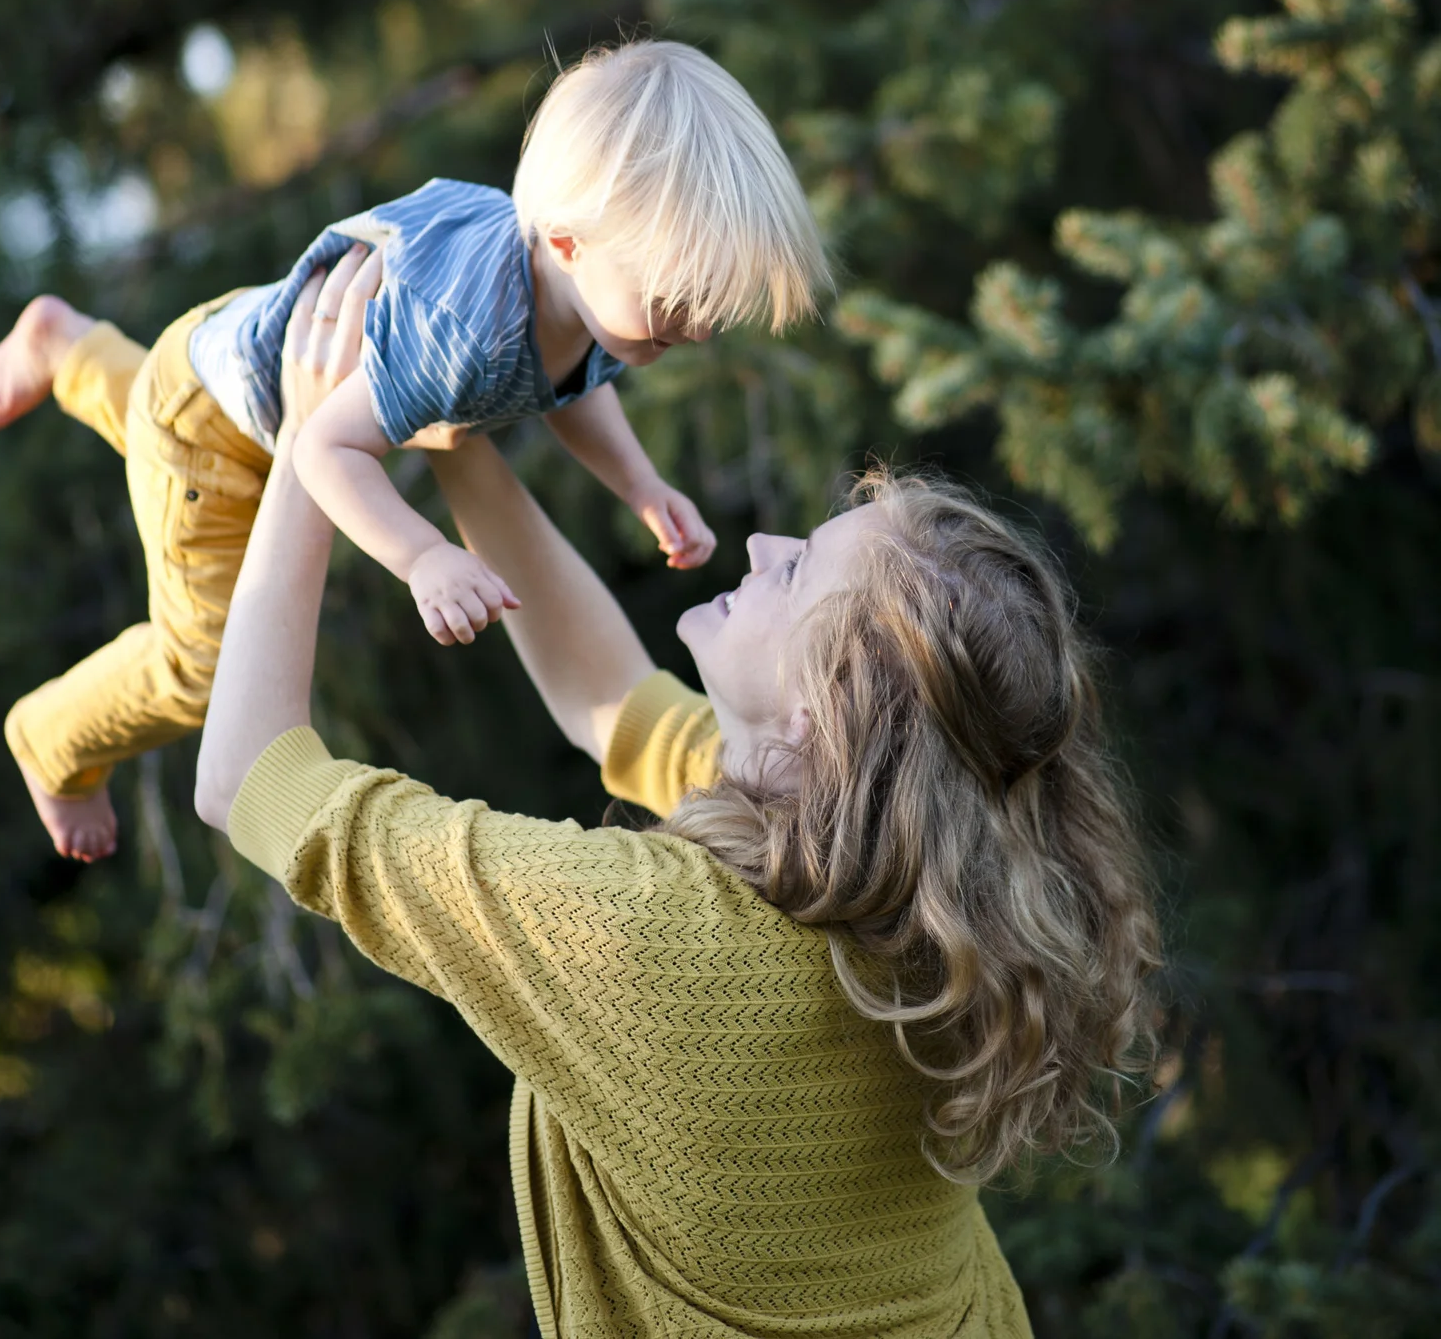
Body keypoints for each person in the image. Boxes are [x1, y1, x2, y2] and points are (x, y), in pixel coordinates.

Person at [192, 245, 1160, 1339]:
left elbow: (247, 777)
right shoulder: (910, 894)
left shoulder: (652, 939)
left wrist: (310, 440)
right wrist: (446, 419)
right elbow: (611, 702)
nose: (762, 542)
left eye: (796, 569)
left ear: (824, 713)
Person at [0, 40, 829, 864]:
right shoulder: (464, 331)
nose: (699, 329)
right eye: (678, 302)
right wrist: (424, 557)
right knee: (205, 666)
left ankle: (71, 350)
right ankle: (51, 738)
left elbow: (572, 382)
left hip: (222, 362)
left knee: (174, 412)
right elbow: (323, 448)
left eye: (711, 306)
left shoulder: (595, 298)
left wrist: (639, 483)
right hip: (219, 429)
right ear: (569, 242)